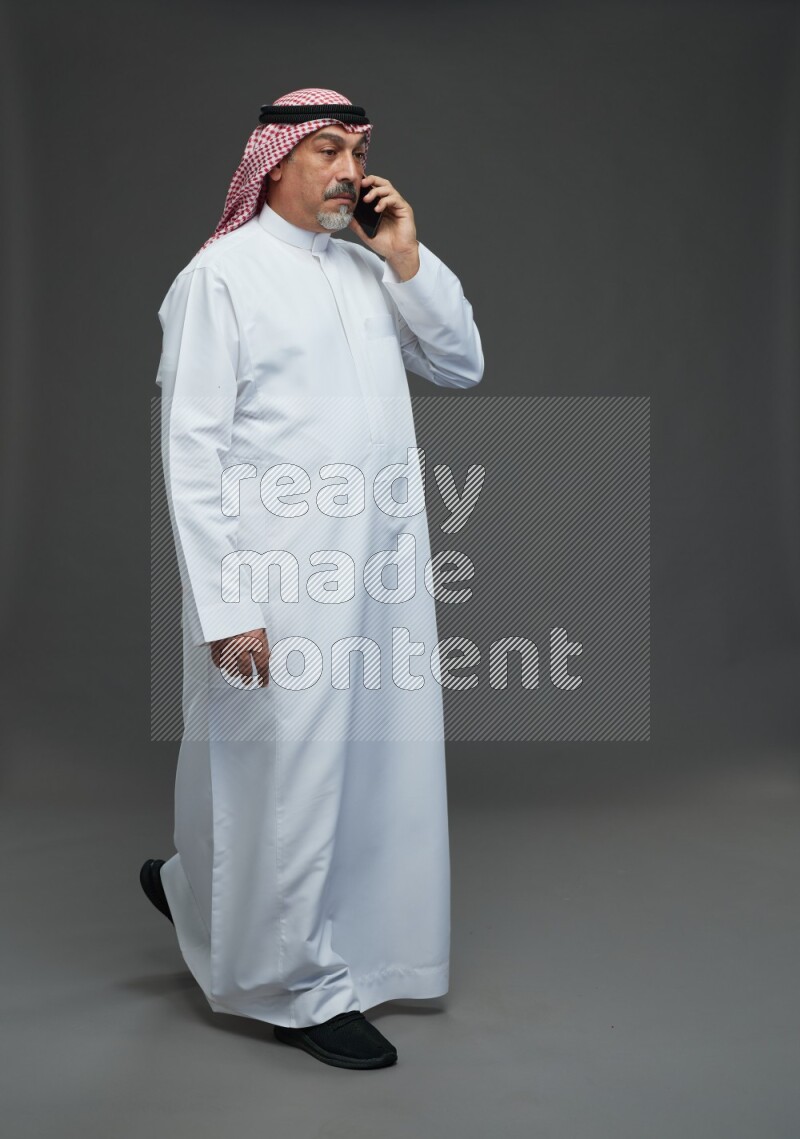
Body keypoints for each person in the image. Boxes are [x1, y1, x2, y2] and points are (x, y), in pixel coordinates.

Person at [143, 87, 484, 1070]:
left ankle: (205, 888)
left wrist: (407, 258)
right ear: (275, 160)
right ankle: (293, 987)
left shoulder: (366, 267)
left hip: (377, 570)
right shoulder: (224, 277)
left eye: (357, 150)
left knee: (371, 766)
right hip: (275, 573)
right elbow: (191, 452)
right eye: (326, 149)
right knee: (282, 772)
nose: (346, 169)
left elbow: (458, 362)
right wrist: (227, 604)